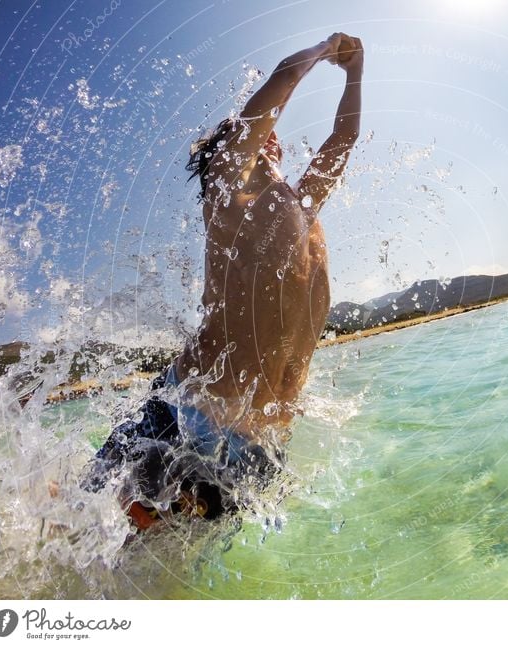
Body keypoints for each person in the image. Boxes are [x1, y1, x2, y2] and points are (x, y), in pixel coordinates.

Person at [82, 33, 364, 530]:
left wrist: (356, 73)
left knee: (163, 568)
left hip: (261, 446)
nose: (271, 133)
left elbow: (342, 143)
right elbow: (281, 78)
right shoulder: (227, 189)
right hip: (190, 414)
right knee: (84, 526)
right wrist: (323, 50)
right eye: (252, 133)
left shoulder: (298, 208)